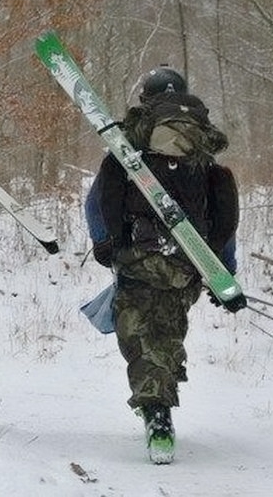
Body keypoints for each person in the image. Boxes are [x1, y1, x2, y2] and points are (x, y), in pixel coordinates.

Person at [87, 65, 242, 464]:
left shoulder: (130, 145)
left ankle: (156, 414)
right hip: (187, 263)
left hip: (139, 256)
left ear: (146, 98)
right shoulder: (204, 153)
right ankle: (160, 401)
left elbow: (98, 198)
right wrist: (223, 272)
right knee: (167, 332)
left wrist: (105, 243)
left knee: (138, 335)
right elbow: (223, 213)